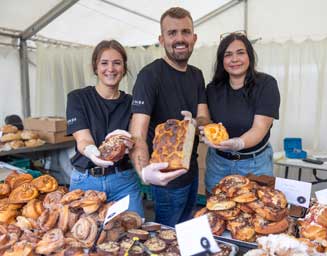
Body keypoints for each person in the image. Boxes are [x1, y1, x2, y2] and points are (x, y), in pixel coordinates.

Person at [129, 7, 210, 226]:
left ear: (194, 37)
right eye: (172, 33)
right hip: (166, 180)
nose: (180, 39)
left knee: (186, 231)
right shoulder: (150, 75)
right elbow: (137, 132)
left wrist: (196, 123)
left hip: (192, 173)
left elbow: (204, 117)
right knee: (167, 237)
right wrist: (146, 173)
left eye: (185, 32)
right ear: (161, 39)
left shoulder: (196, 75)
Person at [66, 40, 144, 217]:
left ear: (124, 68)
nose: (111, 69)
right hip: (85, 182)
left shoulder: (132, 103)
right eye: (104, 63)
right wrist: (93, 152)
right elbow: (83, 139)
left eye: (117, 63)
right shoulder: (78, 98)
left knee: (134, 234)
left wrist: (131, 144)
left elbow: (137, 139)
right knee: (85, 237)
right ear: (95, 67)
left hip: (123, 181)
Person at [201, 32, 280, 194]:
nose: (234, 59)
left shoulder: (266, 85)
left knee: (256, 212)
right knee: (216, 212)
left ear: (249, 56)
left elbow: (260, 127)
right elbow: (207, 121)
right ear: (222, 60)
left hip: (254, 164)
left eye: (240, 53)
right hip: (218, 163)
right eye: (228, 55)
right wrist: (199, 125)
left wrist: (238, 143)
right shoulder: (213, 89)